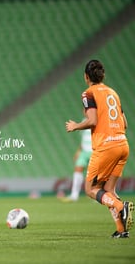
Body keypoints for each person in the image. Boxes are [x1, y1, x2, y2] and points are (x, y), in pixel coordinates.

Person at [66, 59, 133, 238]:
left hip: (106, 147)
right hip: (123, 145)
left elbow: (93, 120)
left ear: (86, 76)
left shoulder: (88, 94)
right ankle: (122, 230)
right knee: (109, 191)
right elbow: (125, 123)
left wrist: (76, 126)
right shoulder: (113, 93)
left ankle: (121, 207)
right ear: (102, 75)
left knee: (91, 189)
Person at [62, 124, 92, 202]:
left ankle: (96, 195)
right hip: (84, 151)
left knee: (95, 173)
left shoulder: (97, 120)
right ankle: (74, 195)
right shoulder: (84, 121)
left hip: (94, 150)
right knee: (78, 169)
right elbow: (84, 139)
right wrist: (79, 151)